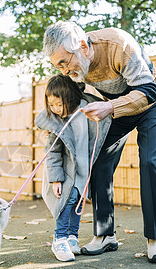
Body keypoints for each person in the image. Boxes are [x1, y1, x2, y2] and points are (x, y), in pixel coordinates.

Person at [43, 21, 156, 263]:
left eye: (65, 63)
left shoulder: (118, 44)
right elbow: (64, 102)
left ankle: (154, 239)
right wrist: (51, 126)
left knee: (150, 161)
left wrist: (110, 106)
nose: (63, 71)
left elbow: (149, 90)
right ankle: (105, 235)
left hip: (149, 103)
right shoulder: (75, 70)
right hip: (115, 110)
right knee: (98, 162)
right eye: (57, 66)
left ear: (83, 46)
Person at [35, 74, 112, 262]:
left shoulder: (85, 111)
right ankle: (59, 238)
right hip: (66, 171)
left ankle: (72, 237)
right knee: (67, 202)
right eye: (51, 105)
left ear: (69, 97)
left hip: (84, 169)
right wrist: (56, 179)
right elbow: (52, 153)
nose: (55, 109)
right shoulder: (57, 122)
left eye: (58, 104)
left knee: (78, 204)